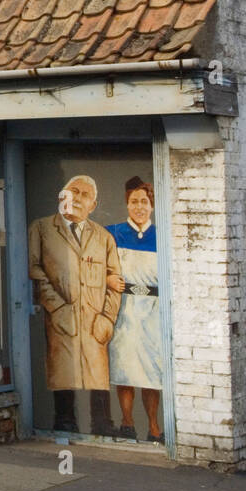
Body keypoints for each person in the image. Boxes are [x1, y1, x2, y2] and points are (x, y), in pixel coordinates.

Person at [28, 175, 125, 435]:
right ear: (62, 195)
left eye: (84, 194)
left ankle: (101, 423)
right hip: (61, 317)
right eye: (73, 191)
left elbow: (116, 282)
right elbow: (35, 271)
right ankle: (65, 422)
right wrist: (57, 307)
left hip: (95, 319)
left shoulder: (103, 237)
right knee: (63, 372)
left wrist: (107, 317)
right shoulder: (42, 228)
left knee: (95, 373)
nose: (77, 197)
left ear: (93, 205)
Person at [106, 177, 163, 442]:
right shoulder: (113, 233)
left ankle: (154, 427)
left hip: (153, 311)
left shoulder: (162, 235)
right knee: (125, 367)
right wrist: (106, 279)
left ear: (151, 204)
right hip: (125, 309)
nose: (139, 207)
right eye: (133, 202)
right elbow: (90, 263)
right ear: (126, 204)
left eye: (144, 201)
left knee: (153, 371)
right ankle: (127, 423)